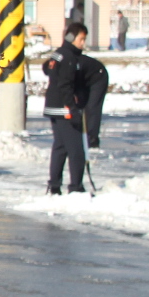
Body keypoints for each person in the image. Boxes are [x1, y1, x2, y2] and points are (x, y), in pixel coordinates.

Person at [40, 19, 110, 195]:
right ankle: (76, 187)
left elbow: (47, 69)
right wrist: (72, 108)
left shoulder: (58, 54)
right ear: (71, 38)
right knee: (76, 149)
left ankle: (54, 185)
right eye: (81, 39)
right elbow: (65, 85)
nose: (83, 43)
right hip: (64, 109)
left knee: (60, 147)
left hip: (53, 107)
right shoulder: (69, 58)